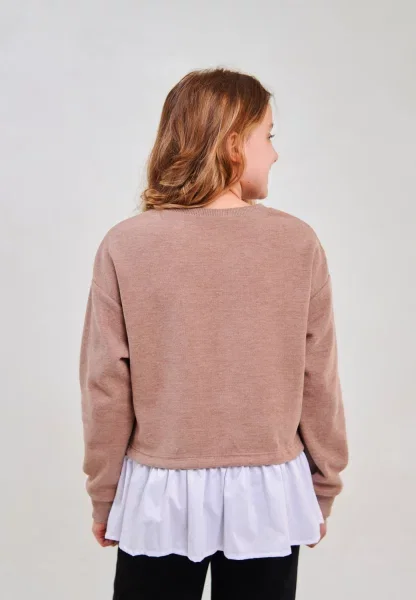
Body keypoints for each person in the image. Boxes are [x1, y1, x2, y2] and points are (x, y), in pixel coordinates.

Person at [79, 67, 349, 599]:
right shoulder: (296, 243)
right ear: (232, 144)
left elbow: (105, 384)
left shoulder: (127, 244)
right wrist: (324, 483)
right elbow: (318, 376)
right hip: (269, 493)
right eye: (268, 136)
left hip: (159, 495)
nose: (275, 153)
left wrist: (106, 494)